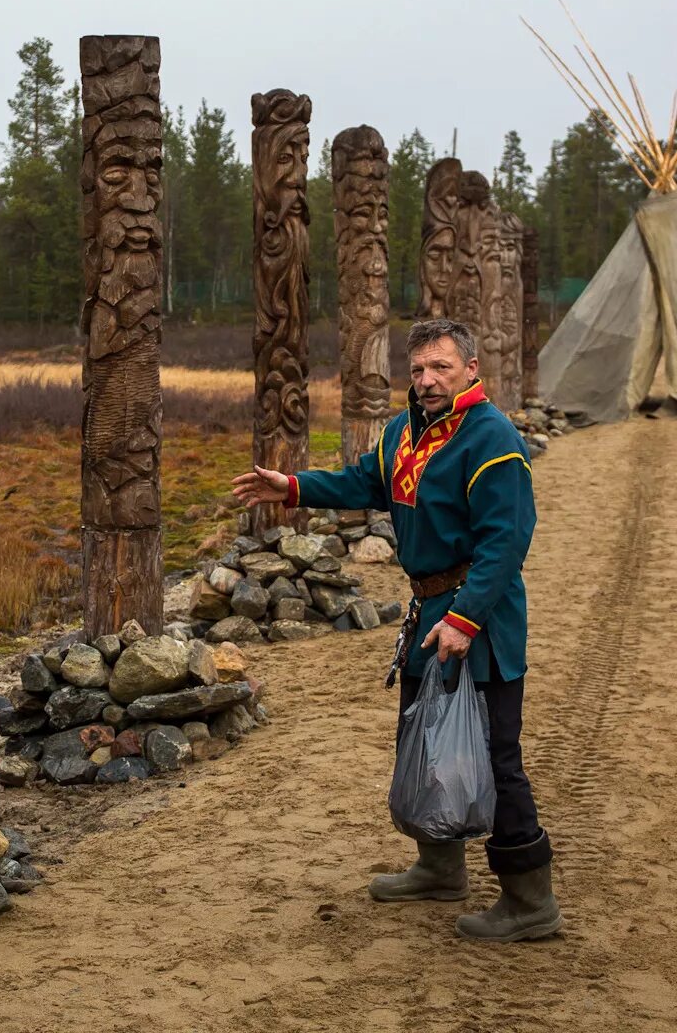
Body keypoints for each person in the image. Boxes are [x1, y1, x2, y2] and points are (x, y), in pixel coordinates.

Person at [231, 318, 560, 942]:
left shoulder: (492, 440)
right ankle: (439, 867)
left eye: (440, 367)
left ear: (469, 369)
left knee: (496, 757)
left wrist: (464, 620)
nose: (427, 380)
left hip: (479, 618)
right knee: (426, 736)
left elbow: (506, 544)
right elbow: (365, 482)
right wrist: (294, 485)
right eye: (418, 369)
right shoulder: (404, 431)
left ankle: (529, 900)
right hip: (428, 613)